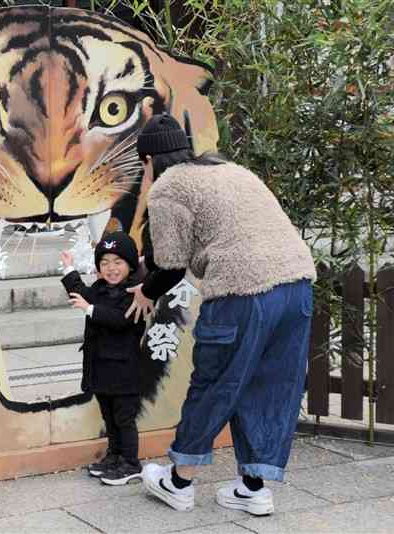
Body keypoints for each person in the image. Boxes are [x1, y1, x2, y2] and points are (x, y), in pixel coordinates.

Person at [127, 113, 316, 515]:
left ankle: (178, 482)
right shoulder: (230, 169)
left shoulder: (167, 186)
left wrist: (144, 290)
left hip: (241, 292)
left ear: (148, 161)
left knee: (215, 383)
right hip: (296, 286)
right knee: (269, 386)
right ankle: (253, 488)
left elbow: (171, 264)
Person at [60, 231, 146, 486]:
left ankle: (131, 463)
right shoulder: (99, 288)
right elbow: (83, 294)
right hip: (101, 368)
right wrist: (69, 269)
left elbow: (120, 320)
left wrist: (90, 309)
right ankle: (115, 456)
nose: (111, 268)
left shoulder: (135, 293)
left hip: (124, 372)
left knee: (124, 419)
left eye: (118, 262)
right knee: (109, 417)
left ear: (130, 265)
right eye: (105, 262)